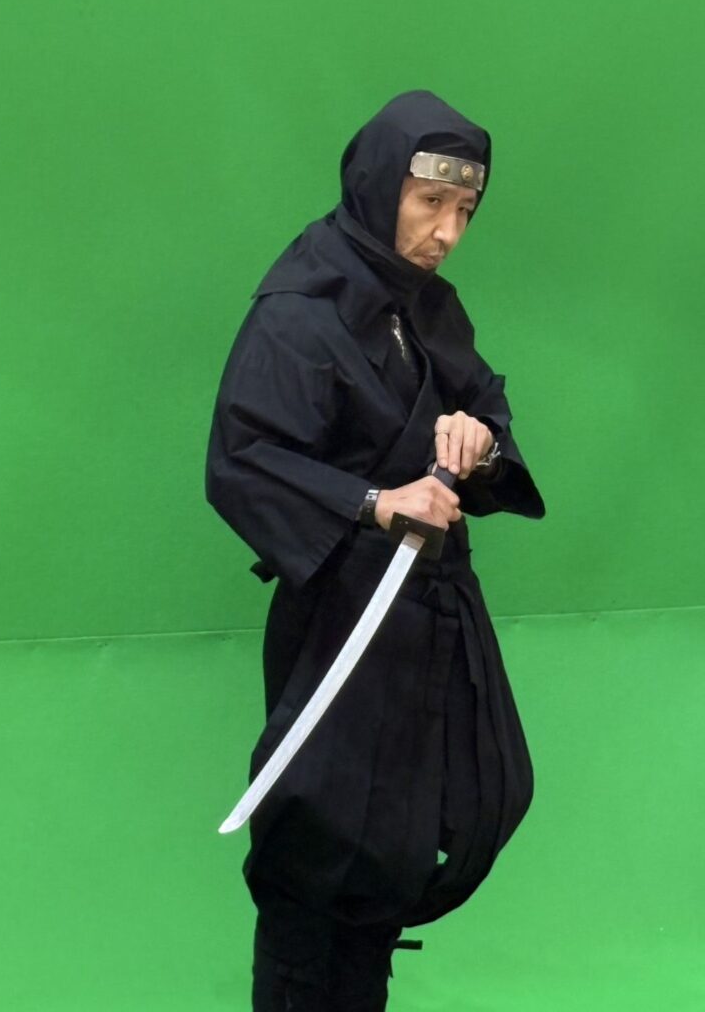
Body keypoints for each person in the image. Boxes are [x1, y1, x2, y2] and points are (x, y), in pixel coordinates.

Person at [206, 90, 545, 1012]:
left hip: (428, 619)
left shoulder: (429, 307)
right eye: (430, 202)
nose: (447, 233)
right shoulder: (299, 308)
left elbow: (483, 402)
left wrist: (479, 441)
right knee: (316, 844)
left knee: (400, 837)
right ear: (379, 183)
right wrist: (372, 502)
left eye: (465, 209)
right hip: (341, 616)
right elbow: (244, 458)